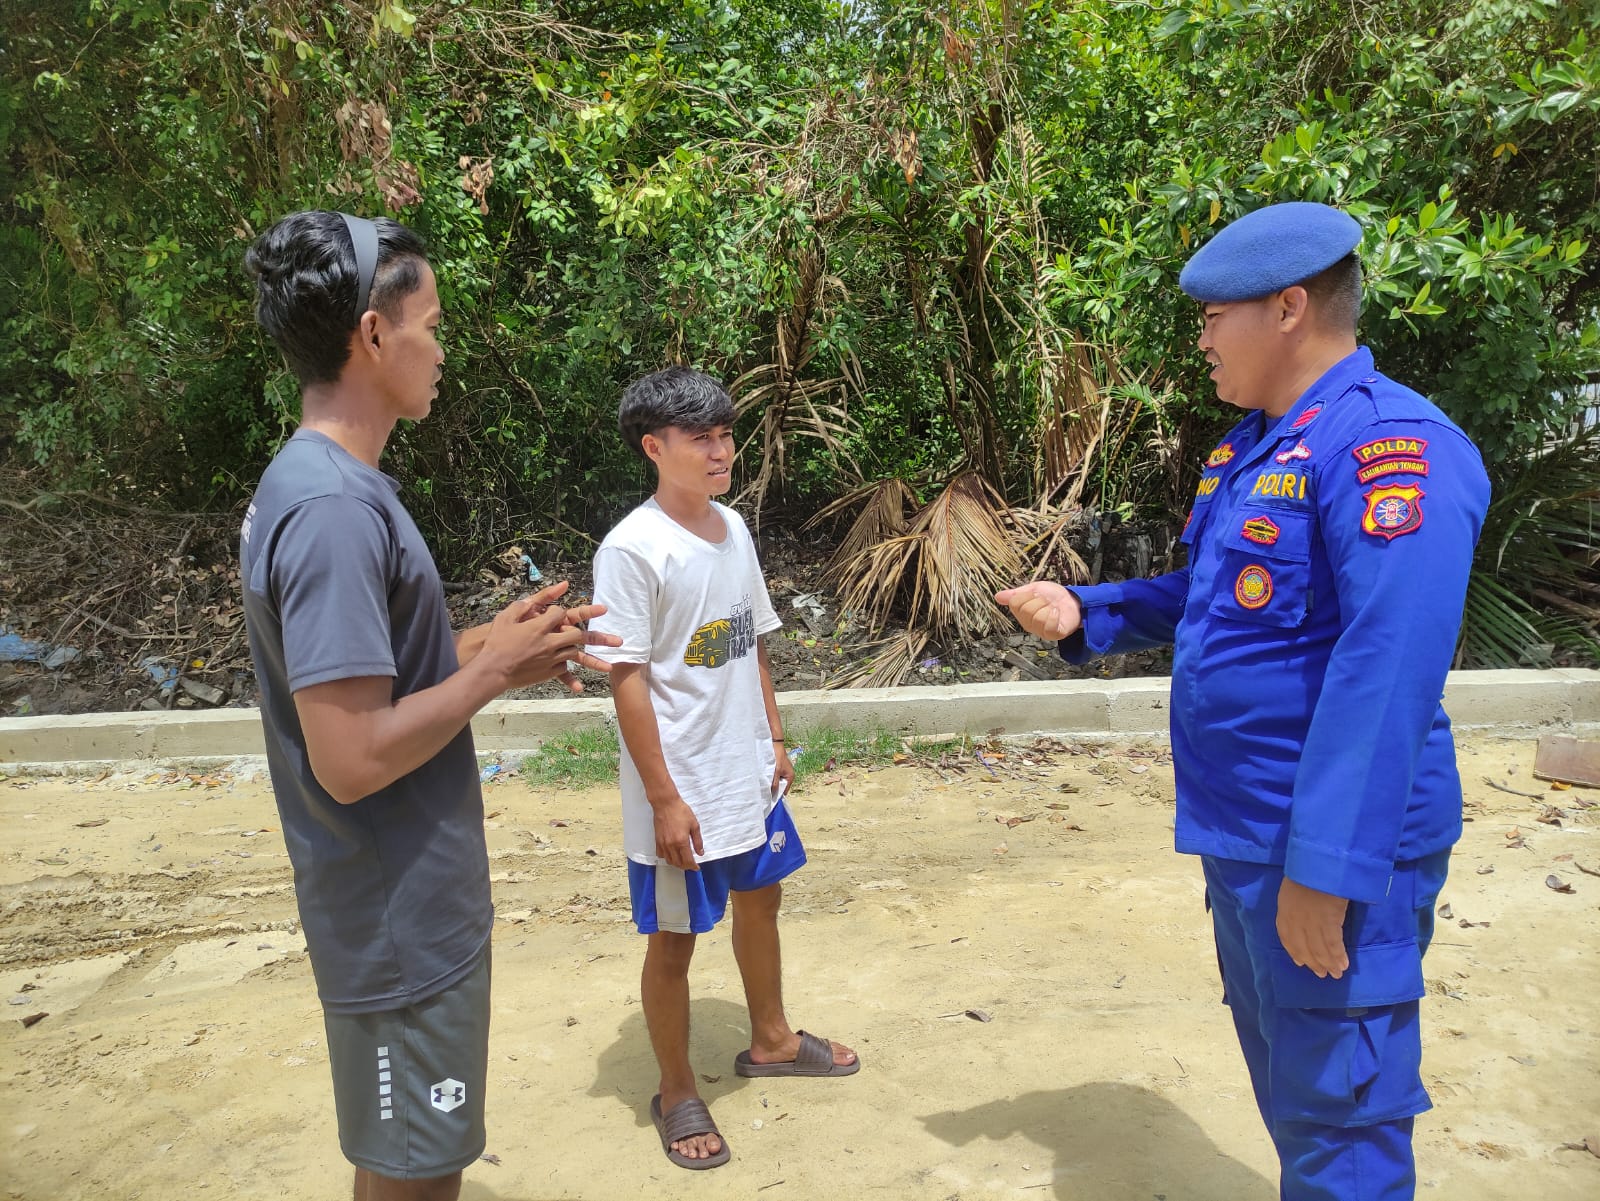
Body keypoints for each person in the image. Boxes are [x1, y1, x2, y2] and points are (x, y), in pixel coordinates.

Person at [997, 201, 1489, 1200]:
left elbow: (1386, 665)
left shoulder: (1389, 447)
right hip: (1244, 833)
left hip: (1324, 846)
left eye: (1215, 315)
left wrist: (1329, 863)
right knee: (1296, 1096)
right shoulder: (1255, 451)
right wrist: (1088, 612)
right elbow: (1218, 599)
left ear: (1290, 309)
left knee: (1342, 1120)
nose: (1201, 338)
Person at [239, 210, 618, 1201]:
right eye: (432, 324)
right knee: (417, 1171)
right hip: (394, 917)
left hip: (410, 906)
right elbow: (351, 753)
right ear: (373, 335)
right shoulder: (329, 509)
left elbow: (385, 678)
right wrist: (488, 679)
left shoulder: (334, 484)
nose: (442, 349)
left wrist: (495, 646)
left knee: (414, 1156)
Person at [589, 367, 859, 1171]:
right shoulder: (633, 549)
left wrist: (773, 740)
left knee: (761, 901)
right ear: (654, 447)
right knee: (674, 939)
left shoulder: (731, 528)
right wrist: (665, 799)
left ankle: (772, 1036)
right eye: (701, 437)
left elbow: (755, 639)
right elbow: (627, 678)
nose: (720, 450)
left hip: (745, 767)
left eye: (725, 433)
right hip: (683, 786)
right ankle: (675, 1089)